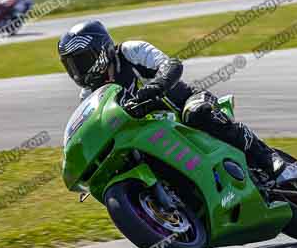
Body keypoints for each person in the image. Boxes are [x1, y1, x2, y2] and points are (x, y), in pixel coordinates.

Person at [57, 20, 285, 182]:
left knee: (197, 113)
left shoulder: (129, 52)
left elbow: (171, 65)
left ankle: (265, 156)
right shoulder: (89, 96)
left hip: (184, 102)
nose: (78, 71)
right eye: (71, 65)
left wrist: (154, 87)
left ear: (101, 49)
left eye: (82, 61)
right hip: (150, 134)